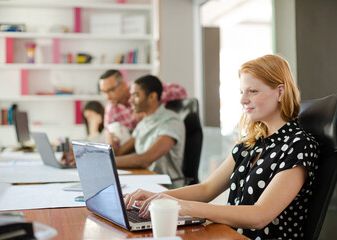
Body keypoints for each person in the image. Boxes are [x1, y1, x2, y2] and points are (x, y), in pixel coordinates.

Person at [124, 54, 320, 240]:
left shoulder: (299, 146)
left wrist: (185, 207)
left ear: (280, 92)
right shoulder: (250, 142)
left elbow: (259, 216)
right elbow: (207, 189)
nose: (243, 100)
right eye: (242, 92)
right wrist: (158, 196)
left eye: (253, 91)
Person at [113, 75, 185, 188]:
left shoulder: (171, 121)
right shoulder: (143, 123)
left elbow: (145, 159)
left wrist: (104, 163)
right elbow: (121, 151)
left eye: (135, 95)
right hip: (146, 180)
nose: (130, 100)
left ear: (152, 96)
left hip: (167, 188)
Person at [99, 70, 187, 145]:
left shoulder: (139, 86)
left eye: (111, 90)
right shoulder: (111, 109)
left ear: (123, 85)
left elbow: (181, 91)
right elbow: (111, 140)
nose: (107, 97)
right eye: (103, 92)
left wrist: (147, 105)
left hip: (157, 139)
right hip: (138, 144)